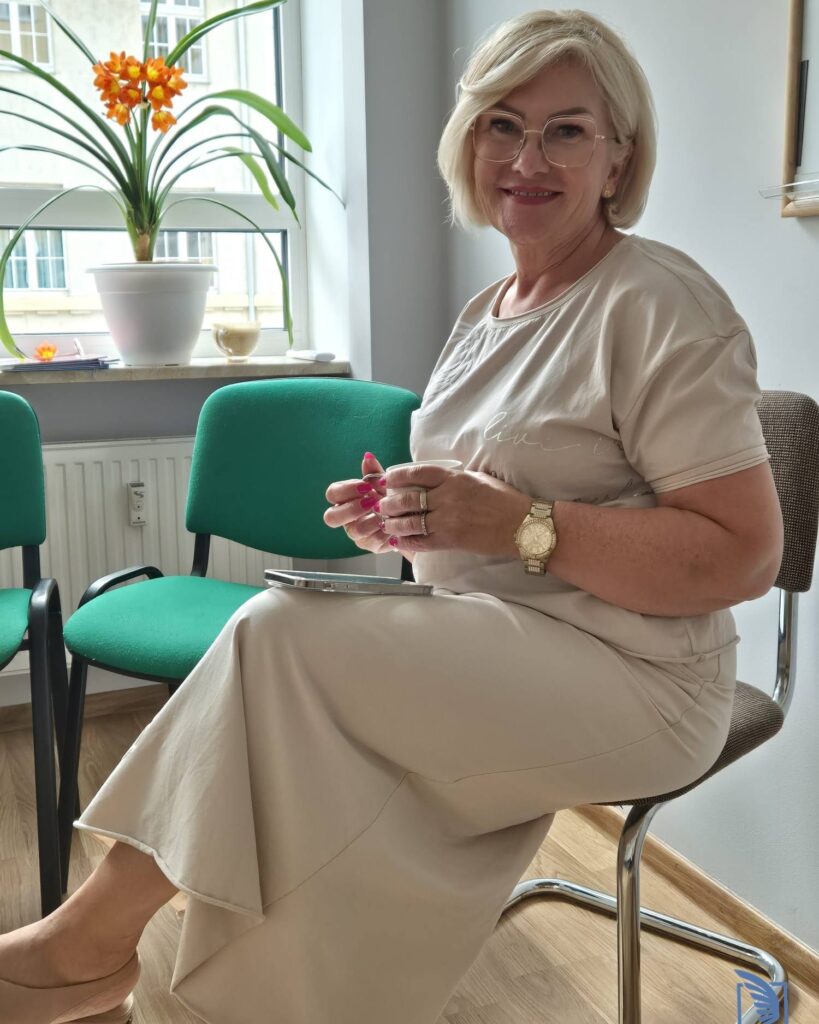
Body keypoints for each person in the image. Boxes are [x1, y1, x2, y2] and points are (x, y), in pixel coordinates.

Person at [0, 9, 783, 1024]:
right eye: (501, 124)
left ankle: (84, 949)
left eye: (566, 130)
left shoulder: (658, 304)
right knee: (301, 753)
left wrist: (514, 525)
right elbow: (490, 511)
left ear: (618, 157)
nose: (526, 158)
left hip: (642, 678)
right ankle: (157, 987)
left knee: (280, 637)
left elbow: (741, 555)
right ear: (469, 142)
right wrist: (415, 522)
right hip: (497, 639)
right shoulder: (484, 316)